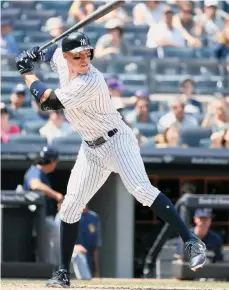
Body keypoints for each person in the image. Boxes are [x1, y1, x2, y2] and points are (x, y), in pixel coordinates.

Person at [15, 31, 206, 288]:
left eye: (87, 54)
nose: (84, 59)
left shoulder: (90, 80)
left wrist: (27, 71)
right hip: (91, 150)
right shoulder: (62, 59)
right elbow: (53, 52)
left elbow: (48, 102)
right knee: (70, 206)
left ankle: (191, 240)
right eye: (78, 56)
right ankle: (62, 273)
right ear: (67, 58)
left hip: (118, 142)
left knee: (141, 190)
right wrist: (39, 54)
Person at [23, 146, 64, 267]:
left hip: (42, 216)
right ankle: (54, 268)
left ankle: (53, 268)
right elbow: (35, 185)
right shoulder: (35, 171)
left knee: (50, 241)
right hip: (38, 217)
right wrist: (57, 195)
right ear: (51, 162)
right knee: (53, 238)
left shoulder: (40, 172)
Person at [56, 206, 101, 280]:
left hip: (87, 260)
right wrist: (74, 247)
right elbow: (57, 238)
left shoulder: (93, 217)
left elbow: (95, 245)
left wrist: (96, 271)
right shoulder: (65, 215)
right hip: (69, 257)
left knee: (86, 278)